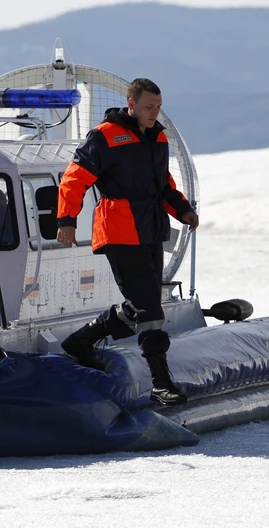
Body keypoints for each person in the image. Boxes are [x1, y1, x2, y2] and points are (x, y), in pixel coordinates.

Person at [56, 78, 199, 405]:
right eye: (149, 107)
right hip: (119, 231)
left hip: (151, 229)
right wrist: (66, 221)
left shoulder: (157, 136)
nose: (155, 113)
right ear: (131, 105)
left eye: (159, 107)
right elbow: (73, 180)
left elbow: (163, 184)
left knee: (143, 305)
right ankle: (161, 382)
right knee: (149, 309)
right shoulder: (104, 136)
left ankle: (81, 341)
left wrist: (183, 211)